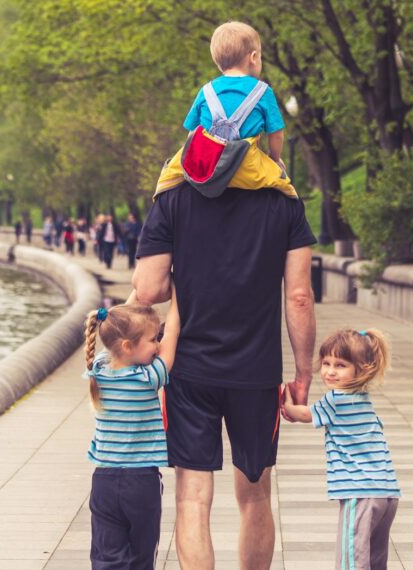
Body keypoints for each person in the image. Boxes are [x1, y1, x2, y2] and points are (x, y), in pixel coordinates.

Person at [132, 20, 317, 560]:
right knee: (255, 494)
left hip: (188, 369)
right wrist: (303, 374)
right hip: (257, 371)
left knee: (192, 497)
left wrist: (182, 281)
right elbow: (300, 297)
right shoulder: (285, 203)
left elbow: (147, 289)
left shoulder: (171, 199)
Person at [281, 329, 400, 570]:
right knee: (376, 558)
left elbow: (304, 414)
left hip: (360, 492)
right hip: (387, 492)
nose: (330, 371)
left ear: (362, 368)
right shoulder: (363, 399)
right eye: (326, 363)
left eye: (341, 365)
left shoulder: (337, 400)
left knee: (351, 559)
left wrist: (286, 403)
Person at [83, 289, 181, 570]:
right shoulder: (147, 378)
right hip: (141, 482)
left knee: (106, 555)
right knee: (141, 555)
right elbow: (172, 335)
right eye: (153, 340)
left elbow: (112, 332)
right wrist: (178, 297)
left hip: (103, 480)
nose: (157, 344)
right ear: (128, 346)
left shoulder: (99, 370)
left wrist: (139, 292)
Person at [154, 21, 296, 201]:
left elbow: (192, 135)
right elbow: (276, 134)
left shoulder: (206, 91)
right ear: (253, 57)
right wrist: (274, 159)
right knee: (288, 192)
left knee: (166, 179)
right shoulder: (263, 92)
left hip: (209, 166)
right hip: (248, 168)